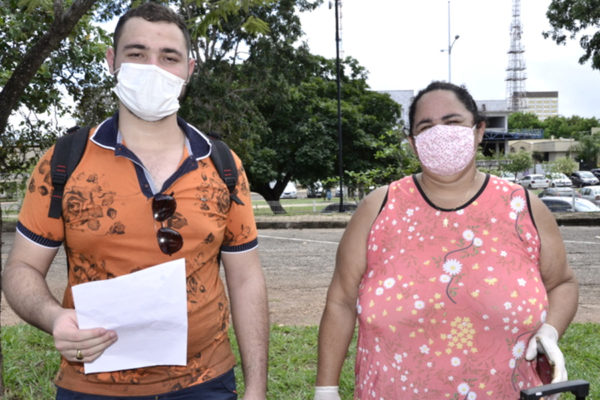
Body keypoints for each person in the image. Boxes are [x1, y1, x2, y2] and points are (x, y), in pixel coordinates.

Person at [2, 3, 268, 399]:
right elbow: (21, 267)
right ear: (112, 61)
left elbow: (246, 280)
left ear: (188, 71)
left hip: (206, 383)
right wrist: (53, 317)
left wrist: (257, 388)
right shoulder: (64, 162)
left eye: (169, 57)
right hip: (91, 387)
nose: (153, 67)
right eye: (137, 54)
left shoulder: (223, 165)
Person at [314, 81, 578, 399]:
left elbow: (562, 283)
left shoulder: (525, 208)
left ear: (479, 130)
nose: (440, 133)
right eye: (426, 126)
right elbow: (341, 301)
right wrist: (326, 389)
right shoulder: (378, 208)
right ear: (413, 143)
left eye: (452, 122)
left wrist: (551, 328)